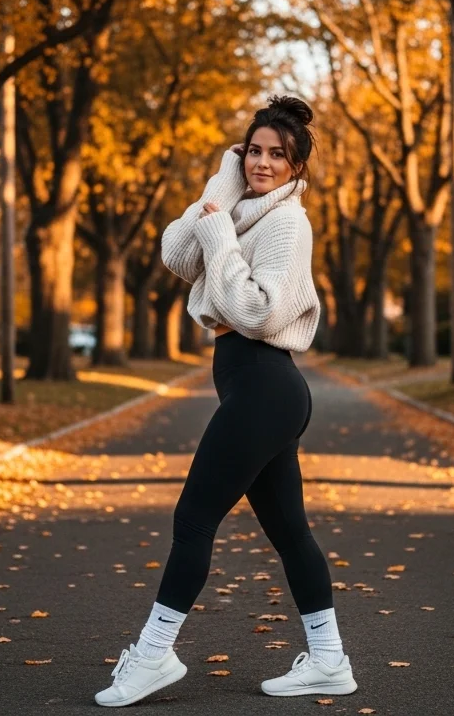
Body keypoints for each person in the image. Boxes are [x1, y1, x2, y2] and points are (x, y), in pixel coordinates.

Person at [95, 96, 355, 707]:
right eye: (255, 151)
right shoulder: (238, 210)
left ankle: (154, 656)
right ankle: (329, 661)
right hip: (252, 385)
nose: (264, 163)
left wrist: (218, 227)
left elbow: (255, 311)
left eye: (278, 156)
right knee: (290, 533)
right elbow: (178, 256)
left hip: (267, 384)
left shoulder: (288, 225)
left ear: (297, 168)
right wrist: (219, 187)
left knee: (193, 519)